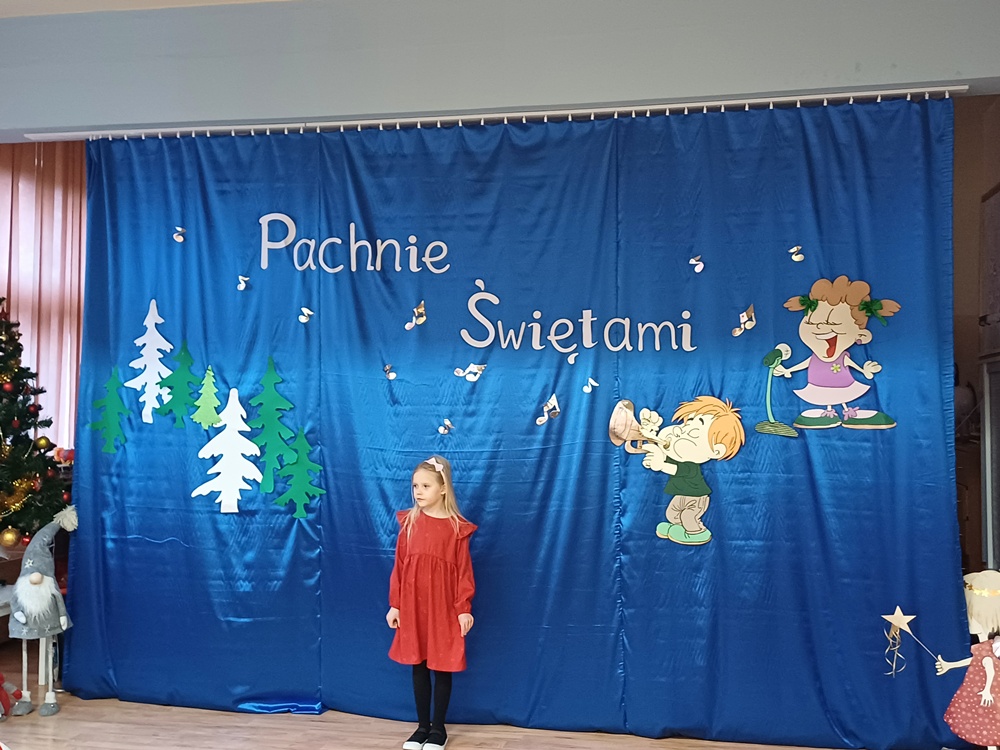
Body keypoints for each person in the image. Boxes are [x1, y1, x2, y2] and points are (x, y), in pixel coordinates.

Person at [387, 455, 476, 750]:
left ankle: (439, 729)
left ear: (443, 488)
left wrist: (463, 609)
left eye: (425, 486)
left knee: (442, 665)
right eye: (415, 486)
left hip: (443, 608)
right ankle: (422, 727)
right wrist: (396, 604)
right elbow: (400, 567)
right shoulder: (410, 523)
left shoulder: (456, 528)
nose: (418, 492)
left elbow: (463, 572)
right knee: (419, 665)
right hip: (414, 607)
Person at [774, 275, 900, 429]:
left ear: (861, 335)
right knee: (827, 398)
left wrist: (864, 370)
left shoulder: (842, 356)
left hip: (842, 385)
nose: (820, 327)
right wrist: (788, 370)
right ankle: (828, 413)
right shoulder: (815, 357)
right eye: (811, 322)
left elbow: (851, 364)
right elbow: (805, 364)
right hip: (818, 385)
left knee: (841, 396)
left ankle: (847, 412)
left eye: (832, 323)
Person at [640, 395, 745, 545]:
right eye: (684, 426)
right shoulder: (677, 456)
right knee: (671, 514)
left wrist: (661, 465)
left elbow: (674, 469)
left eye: (693, 432)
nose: (678, 432)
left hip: (696, 498)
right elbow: (664, 455)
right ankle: (681, 528)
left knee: (688, 517)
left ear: (716, 451)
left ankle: (697, 533)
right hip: (682, 495)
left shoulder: (690, 466)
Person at [936, 570, 1000, 749]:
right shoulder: (986, 646)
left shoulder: (989, 648)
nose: (968, 622)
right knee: (989, 726)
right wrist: (949, 665)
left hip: (990, 693)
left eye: (971, 617)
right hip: (987, 692)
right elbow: (975, 660)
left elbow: (988, 666)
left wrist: (987, 689)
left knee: (990, 724)